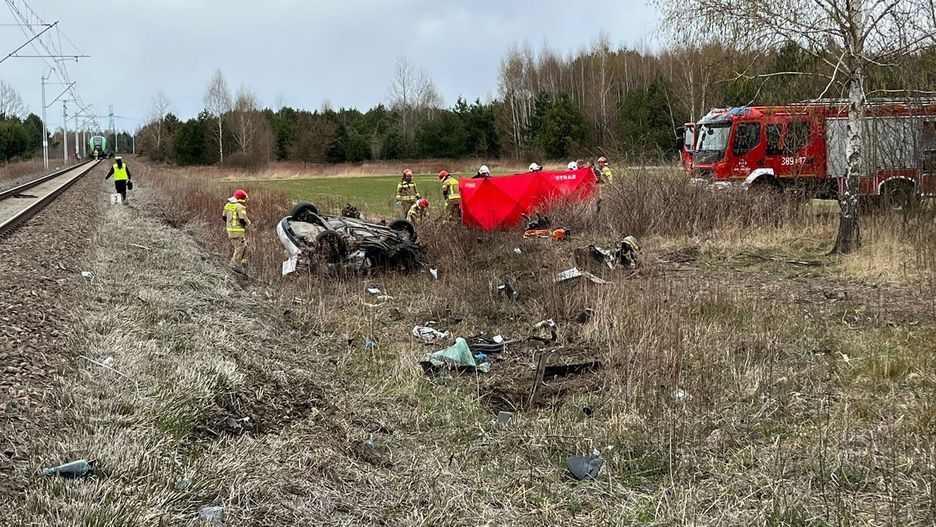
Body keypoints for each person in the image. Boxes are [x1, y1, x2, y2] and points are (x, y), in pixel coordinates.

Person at [223, 189, 251, 272]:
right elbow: (243, 219)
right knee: (240, 247)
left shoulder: (227, 205)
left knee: (244, 246)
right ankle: (233, 266)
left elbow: (224, 217)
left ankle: (243, 263)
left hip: (230, 230)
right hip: (238, 231)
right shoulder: (240, 207)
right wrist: (247, 224)